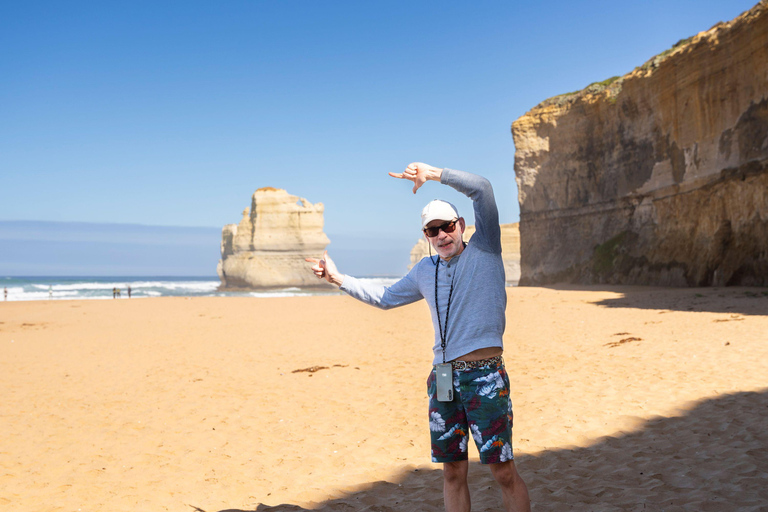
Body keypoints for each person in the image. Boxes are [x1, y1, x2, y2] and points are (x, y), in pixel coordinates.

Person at [306, 162, 530, 512]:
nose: (442, 235)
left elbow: (483, 188)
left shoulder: (486, 250)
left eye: (447, 227)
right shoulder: (426, 270)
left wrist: (434, 173)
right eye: (432, 231)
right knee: (453, 472)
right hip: (442, 378)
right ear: (426, 236)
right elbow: (385, 297)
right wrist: (338, 279)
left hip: (485, 375)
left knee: (502, 470)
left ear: (462, 226)